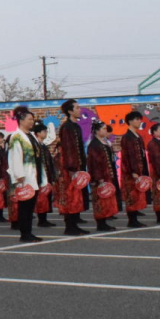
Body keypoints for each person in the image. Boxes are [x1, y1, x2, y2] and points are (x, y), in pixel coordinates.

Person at [7, 106, 44, 243]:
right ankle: (24, 233)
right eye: (29, 119)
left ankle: (29, 232)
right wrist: (19, 176)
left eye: (32, 119)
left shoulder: (31, 136)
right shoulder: (16, 137)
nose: (32, 122)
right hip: (24, 177)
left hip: (33, 175)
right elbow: (14, 157)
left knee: (30, 208)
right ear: (21, 120)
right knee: (24, 207)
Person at [56, 99, 90, 236]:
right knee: (70, 197)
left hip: (77, 167)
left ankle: (75, 224)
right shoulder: (67, 127)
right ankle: (69, 226)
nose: (79, 110)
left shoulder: (76, 126)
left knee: (77, 197)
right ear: (70, 111)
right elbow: (68, 149)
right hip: (70, 169)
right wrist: (72, 168)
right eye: (76, 108)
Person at [87, 120, 121, 231]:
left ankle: (105, 220)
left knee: (107, 198)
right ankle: (101, 223)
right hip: (100, 177)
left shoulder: (104, 142)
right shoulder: (94, 144)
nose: (106, 130)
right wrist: (99, 178)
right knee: (100, 199)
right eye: (103, 129)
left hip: (107, 174)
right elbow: (95, 162)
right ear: (97, 131)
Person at [119, 111, 150, 228]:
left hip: (139, 169)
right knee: (131, 195)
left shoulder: (138, 136)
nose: (139, 121)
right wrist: (133, 171)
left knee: (138, 195)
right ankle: (132, 220)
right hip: (132, 172)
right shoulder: (127, 137)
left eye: (139, 119)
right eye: (136, 119)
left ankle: (135, 217)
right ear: (130, 121)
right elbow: (128, 156)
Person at [33, 122, 58, 228]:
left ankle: (44, 219)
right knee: (41, 198)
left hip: (46, 175)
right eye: (44, 131)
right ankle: (41, 219)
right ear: (38, 133)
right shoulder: (35, 146)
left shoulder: (43, 145)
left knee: (46, 197)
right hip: (39, 176)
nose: (46, 133)